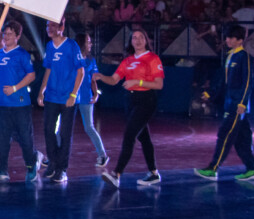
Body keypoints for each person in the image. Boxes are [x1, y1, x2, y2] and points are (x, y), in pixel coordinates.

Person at [95, 28, 164, 188]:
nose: (138, 40)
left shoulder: (153, 58)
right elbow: (114, 80)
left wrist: (137, 82)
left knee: (130, 135)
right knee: (144, 138)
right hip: (131, 101)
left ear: (146, 40)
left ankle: (116, 174)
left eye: (141, 37)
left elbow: (159, 84)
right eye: (134, 38)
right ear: (131, 42)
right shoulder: (128, 61)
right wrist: (100, 77)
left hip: (147, 100)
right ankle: (154, 173)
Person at [195, 25, 254, 182]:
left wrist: (242, 103)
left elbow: (248, 82)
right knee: (241, 139)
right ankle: (252, 168)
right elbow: (224, 81)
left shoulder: (245, 57)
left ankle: (213, 168)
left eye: (231, 38)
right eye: (227, 37)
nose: (228, 40)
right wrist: (211, 93)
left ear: (240, 40)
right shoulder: (230, 56)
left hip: (237, 106)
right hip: (229, 103)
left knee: (224, 135)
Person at [0, 20, 37, 182]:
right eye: (5, 34)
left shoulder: (22, 54)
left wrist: (15, 88)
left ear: (17, 36)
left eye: (10, 34)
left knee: (25, 137)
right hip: (4, 105)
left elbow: (31, 75)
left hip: (20, 104)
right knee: (3, 139)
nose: (6, 37)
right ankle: (1, 169)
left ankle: (31, 166)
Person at [36, 19, 84, 184]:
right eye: (47, 25)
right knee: (48, 129)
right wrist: (41, 91)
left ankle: (62, 169)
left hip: (67, 98)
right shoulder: (49, 46)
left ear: (61, 27)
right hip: (51, 96)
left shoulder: (71, 45)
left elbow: (81, 72)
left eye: (53, 25)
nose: (49, 28)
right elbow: (48, 69)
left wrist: (73, 95)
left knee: (65, 133)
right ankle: (53, 162)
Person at [74, 33, 108, 167]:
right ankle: (53, 156)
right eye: (88, 41)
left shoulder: (90, 60)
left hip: (85, 97)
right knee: (64, 127)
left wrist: (95, 93)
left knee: (89, 127)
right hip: (71, 97)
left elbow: (93, 79)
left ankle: (102, 155)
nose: (91, 44)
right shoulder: (72, 58)